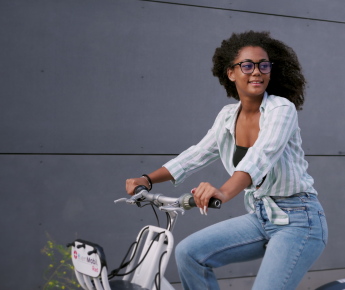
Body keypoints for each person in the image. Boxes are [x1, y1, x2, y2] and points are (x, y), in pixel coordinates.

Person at [125, 30, 328, 290]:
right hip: (261, 216)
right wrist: (147, 179)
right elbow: (196, 154)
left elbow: (260, 156)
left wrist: (221, 191)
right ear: (230, 73)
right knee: (189, 254)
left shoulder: (281, 109)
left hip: (299, 221)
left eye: (263, 65)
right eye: (247, 65)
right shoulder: (227, 116)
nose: (256, 71)